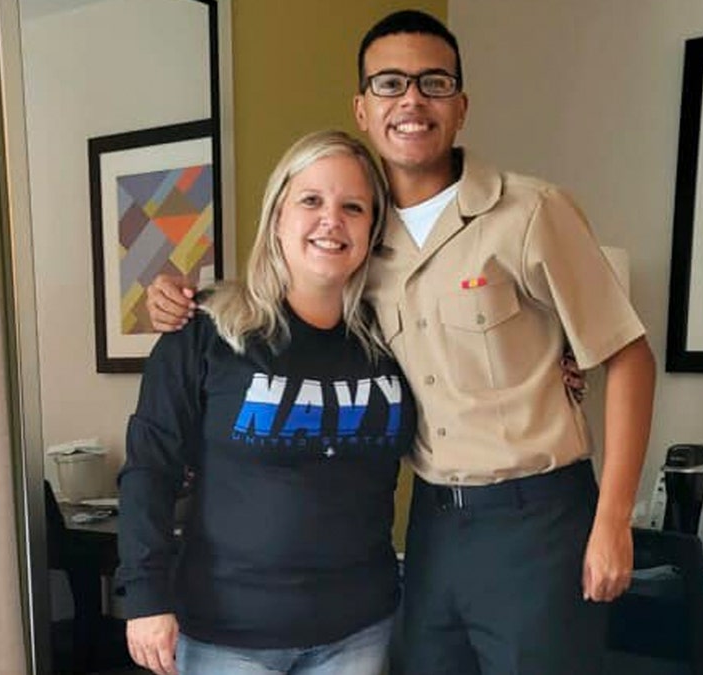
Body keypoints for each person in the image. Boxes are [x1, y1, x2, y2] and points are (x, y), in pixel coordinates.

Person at [146, 10, 656, 674]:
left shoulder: (530, 213)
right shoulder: (355, 231)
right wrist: (179, 297)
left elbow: (627, 353)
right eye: (389, 83)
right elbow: (284, 300)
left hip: (537, 520)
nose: (411, 99)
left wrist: (613, 520)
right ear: (363, 107)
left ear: (461, 105)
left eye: (433, 82)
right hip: (433, 524)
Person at [117, 130, 417, 675]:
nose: (332, 220)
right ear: (277, 216)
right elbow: (149, 469)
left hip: (359, 630)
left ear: (372, 231)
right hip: (225, 636)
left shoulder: (397, 339)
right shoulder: (205, 330)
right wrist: (145, 597)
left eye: (353, 207)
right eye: (311, 200)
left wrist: (558, 363)